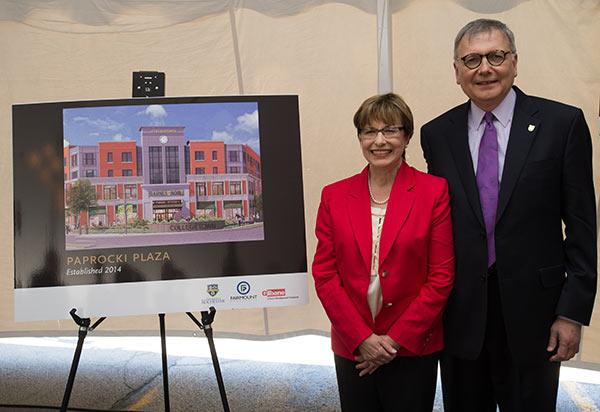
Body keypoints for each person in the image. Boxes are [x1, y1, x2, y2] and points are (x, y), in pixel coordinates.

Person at [420, 18, 597, 412]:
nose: (484, 68)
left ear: (515, 62)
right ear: (456, 72)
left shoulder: (562, 124)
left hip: (537, 316)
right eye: (472, 60)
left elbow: (583, 226)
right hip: (462, 314)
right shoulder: (437, 134)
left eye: (495, 56)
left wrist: (572, 312)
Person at [313, 93, 455, 411]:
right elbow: (325, 274)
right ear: (360, 137)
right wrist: (362, 338)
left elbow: (441, 276)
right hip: (354, 346)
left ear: (407, 137)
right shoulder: (334, 196)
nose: (379, 140)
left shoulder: (434, 192)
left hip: (412, 344)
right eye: (369, 131)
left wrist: (391, 342)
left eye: (390, 130)